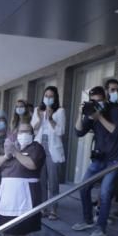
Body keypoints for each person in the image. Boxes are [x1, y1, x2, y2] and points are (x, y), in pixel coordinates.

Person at [72, 84, 118, 236]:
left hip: (116, 159)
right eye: (93, 101)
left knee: (105, 192)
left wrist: (100, 117)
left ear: (105, 98)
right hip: (100, 158)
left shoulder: (116, 110)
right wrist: (81, 113)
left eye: (98, 101)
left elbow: (116, 131)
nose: (96, 104)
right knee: (83, 188)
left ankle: (100, 228)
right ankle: (87, 220)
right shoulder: (92, 112)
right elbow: (79, 132)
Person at [0, 122, 45, 236]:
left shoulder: (36, 148)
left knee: (23, 229)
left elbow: (31, 165)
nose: (23, 134)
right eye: (20, 131)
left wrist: (16, 152)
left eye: (27, 131)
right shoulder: (12, 148)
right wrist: (7, 154)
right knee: (10, 228)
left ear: (32, 133)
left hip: (25, 194)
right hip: (8, 194)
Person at [32, 86, 66, 220]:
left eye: (51, 96)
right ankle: (43, 208)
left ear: (55, 97)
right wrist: (41, 119)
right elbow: (33, 130)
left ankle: (53, 209)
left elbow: (60, 132)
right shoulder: (37, 110)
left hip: (53, 148)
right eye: (46, 95)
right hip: (40, 146)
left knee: (53, 181)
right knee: (41, 180)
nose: (48, 98)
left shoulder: (60, 111)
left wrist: (51, 118)